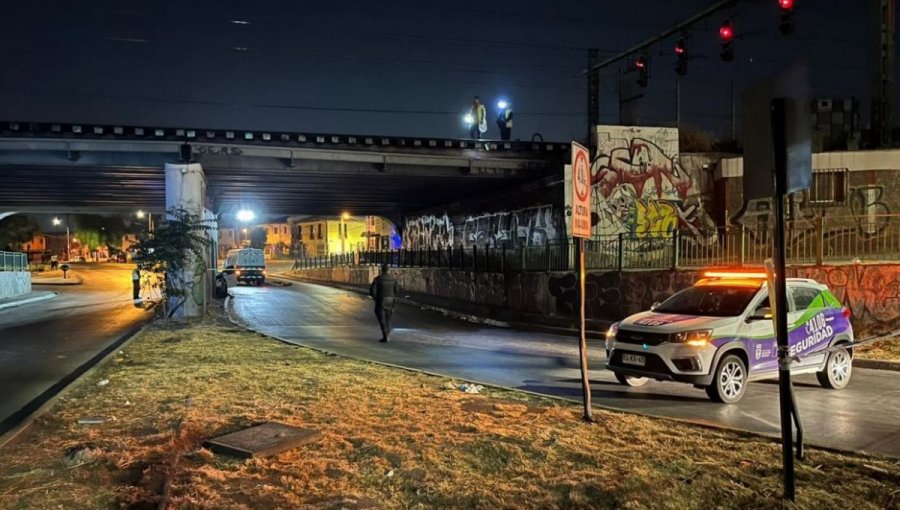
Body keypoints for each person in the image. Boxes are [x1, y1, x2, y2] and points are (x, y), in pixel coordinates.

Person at [369, 263, 398, 343]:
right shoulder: (393, 279)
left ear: (382, 270)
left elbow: (372, 291)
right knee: (388, 318)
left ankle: (385, 333)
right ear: (388, 270)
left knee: (380, 317)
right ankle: (387, 331)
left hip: (381, 300)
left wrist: (376, 299)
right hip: (391, 300)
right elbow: (396, 290)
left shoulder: (378, 279)